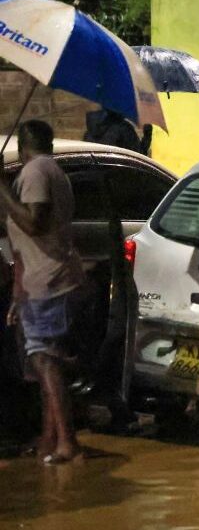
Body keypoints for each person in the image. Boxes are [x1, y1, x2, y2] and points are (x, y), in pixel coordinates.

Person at [0, 120, 85, 464]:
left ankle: (67, 442)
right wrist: (19, 293)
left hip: (49, 284)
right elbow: (21, 245)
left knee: (46, 362)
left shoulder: (36, 171)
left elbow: (35, 223)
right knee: (45, 361)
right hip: (41, 282)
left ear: (23, 146)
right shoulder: (51, 171)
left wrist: (2, 189)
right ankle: (51, 440)